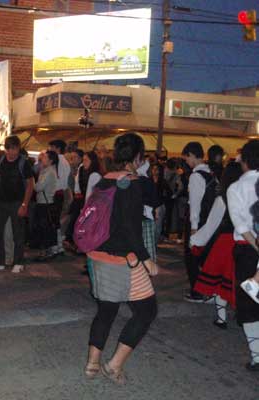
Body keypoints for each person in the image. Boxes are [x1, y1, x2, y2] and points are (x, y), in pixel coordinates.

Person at [85, 132, 158, 385]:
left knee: (106, 309)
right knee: (147, 310)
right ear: (138, 157)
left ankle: (92, 363)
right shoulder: (133, 183)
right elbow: (130, 227)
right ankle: (114, 365)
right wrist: (146, 258)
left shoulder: (104, 180)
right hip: (122, 259)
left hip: (97, 255)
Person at [191, 162, 243, 329]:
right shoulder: (250, 195)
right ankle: (244, 316)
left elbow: (211, 224)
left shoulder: (223, 198)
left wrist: (196, 240)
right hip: (246, 242)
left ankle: (222, 318)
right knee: (239, 280)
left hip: (226, 243)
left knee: (221, 282)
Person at [227, 140, 259, 371]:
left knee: (249, 303)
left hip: (248, 250)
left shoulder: (236, 188)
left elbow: (240, 225)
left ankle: (257, 356)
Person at [0, 136, 34, 273]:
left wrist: (24, 204)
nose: (13, 152)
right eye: (10, 149)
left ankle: (18, 262)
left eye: (15, 149)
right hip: (2, 201)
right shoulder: (1, 161)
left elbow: (30, 184)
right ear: (6, 149)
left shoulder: (23, 163)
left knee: (17, 233)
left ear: (19, 148)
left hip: (17, 202)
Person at [181, 142, 217, 302]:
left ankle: (197, 292)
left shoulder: (196, 176)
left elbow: (195, 203)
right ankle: (210, 290)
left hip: (198, 222)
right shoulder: (212, 174)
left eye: (187, 158)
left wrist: (194, 227)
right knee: (206, 257)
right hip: (209, 221)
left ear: (192, 155)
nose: (187, 162)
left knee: (192, 258)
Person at [33, 150, 59, 261]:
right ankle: (47, 252)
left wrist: (31, 182)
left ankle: (47, 253)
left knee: (45, 228)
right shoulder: (46, 171)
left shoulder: (49, 172)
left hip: (45, 204)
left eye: (44, 157)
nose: (42, 159)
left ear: (50, 160)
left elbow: (38, 187)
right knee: (44, 228)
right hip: (43, 202)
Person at [48, 140, 72, 256]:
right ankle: (59, 245)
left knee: (53, 221)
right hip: (62, 192)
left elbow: (56, 178)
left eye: (51, 147)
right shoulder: (66, 161)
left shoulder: (57, 160)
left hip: (56, 193)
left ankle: (56, 246)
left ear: (57, 148)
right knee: (56, 220)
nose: (50, 150)